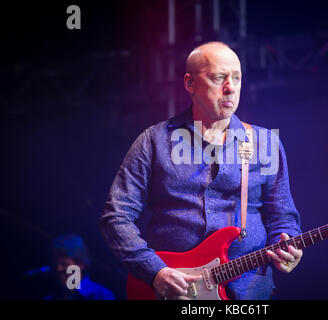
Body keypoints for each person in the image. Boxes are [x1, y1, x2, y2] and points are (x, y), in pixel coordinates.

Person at [100, 41, 303, 300]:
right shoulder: (153, 142)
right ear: (189, 83)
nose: (230, 87)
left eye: (237, 78)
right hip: (175, 294)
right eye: (219, 78)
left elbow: (282, 217)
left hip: (251, 294)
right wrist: (154, 272)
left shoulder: (266, 143)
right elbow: (115, 217)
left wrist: (288, 243)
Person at [44, 234, 115, 300]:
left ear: (81, 263)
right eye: (55, 265)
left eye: (64, 264)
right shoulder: (52, 297)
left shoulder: (101, 295)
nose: (58, 269)